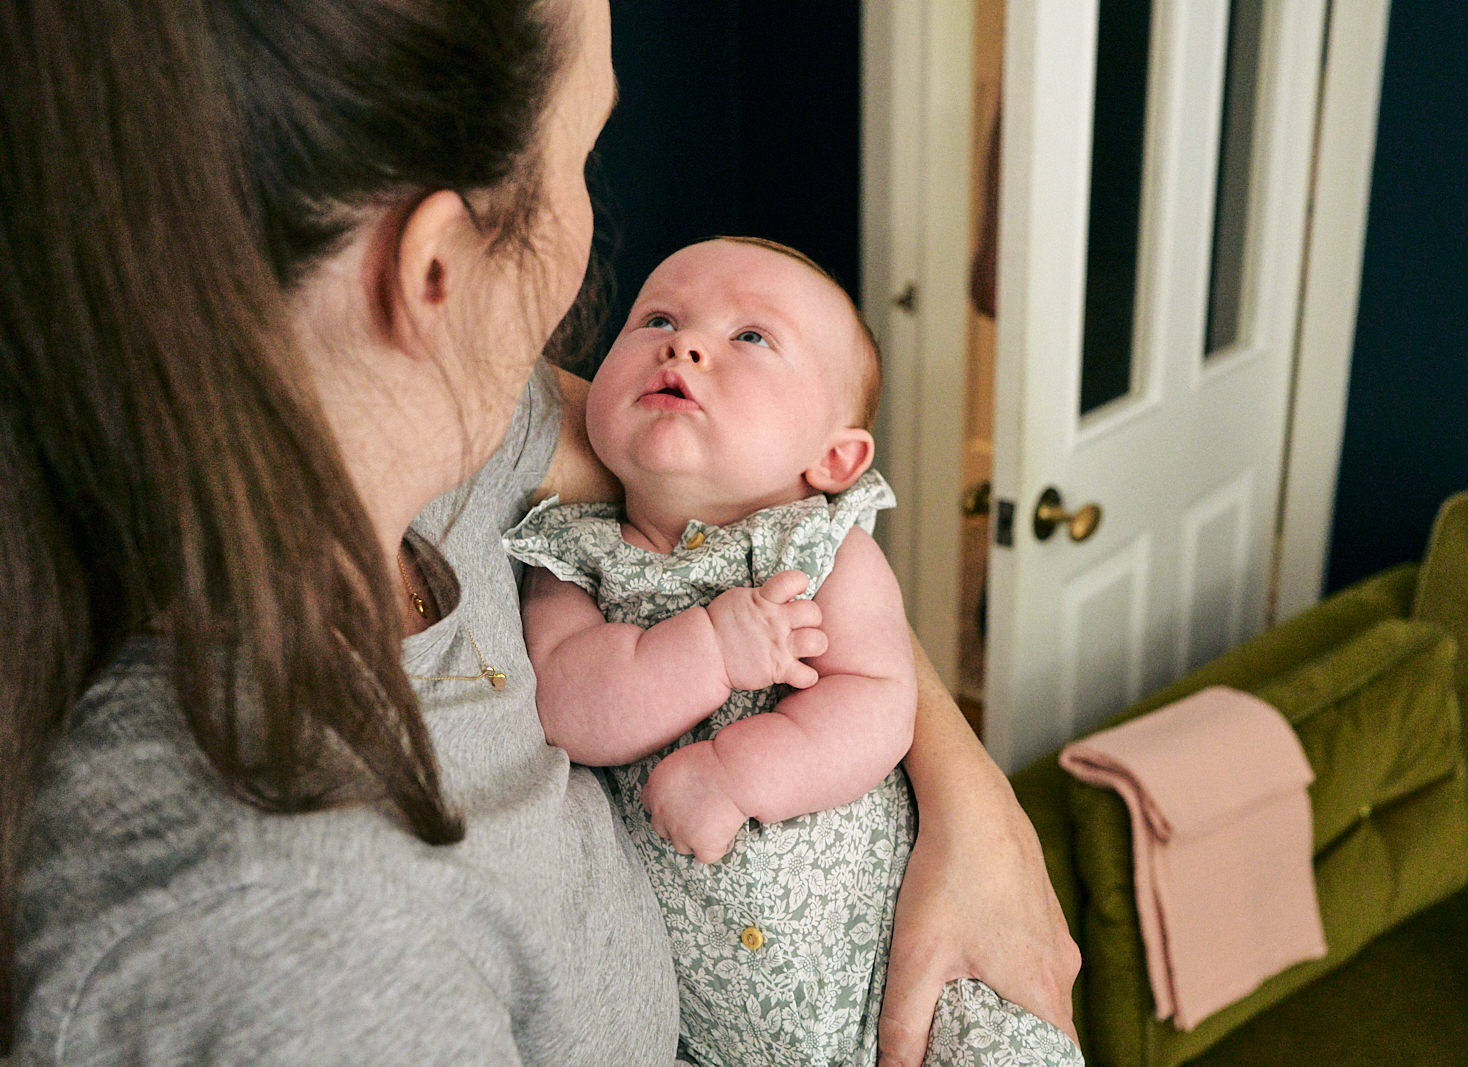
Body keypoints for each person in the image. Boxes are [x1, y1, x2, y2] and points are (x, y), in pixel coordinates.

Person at [0, 1, 1078, 1063]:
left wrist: (970, 801)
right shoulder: (299, 956)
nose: (677, 346)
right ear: (433, 271)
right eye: (583, 152)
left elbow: (751, 508)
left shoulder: (424, 420)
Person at [507, 236, 1084, 1066]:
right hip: (707, 1037)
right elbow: (564, 702)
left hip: (903, 981)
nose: (685, 343)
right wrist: (708, 648)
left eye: (751, 337)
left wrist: (736, 772)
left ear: (833, 457)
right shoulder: (573, 557)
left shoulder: (825, 549)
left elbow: (881, 699)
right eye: (658, 318)